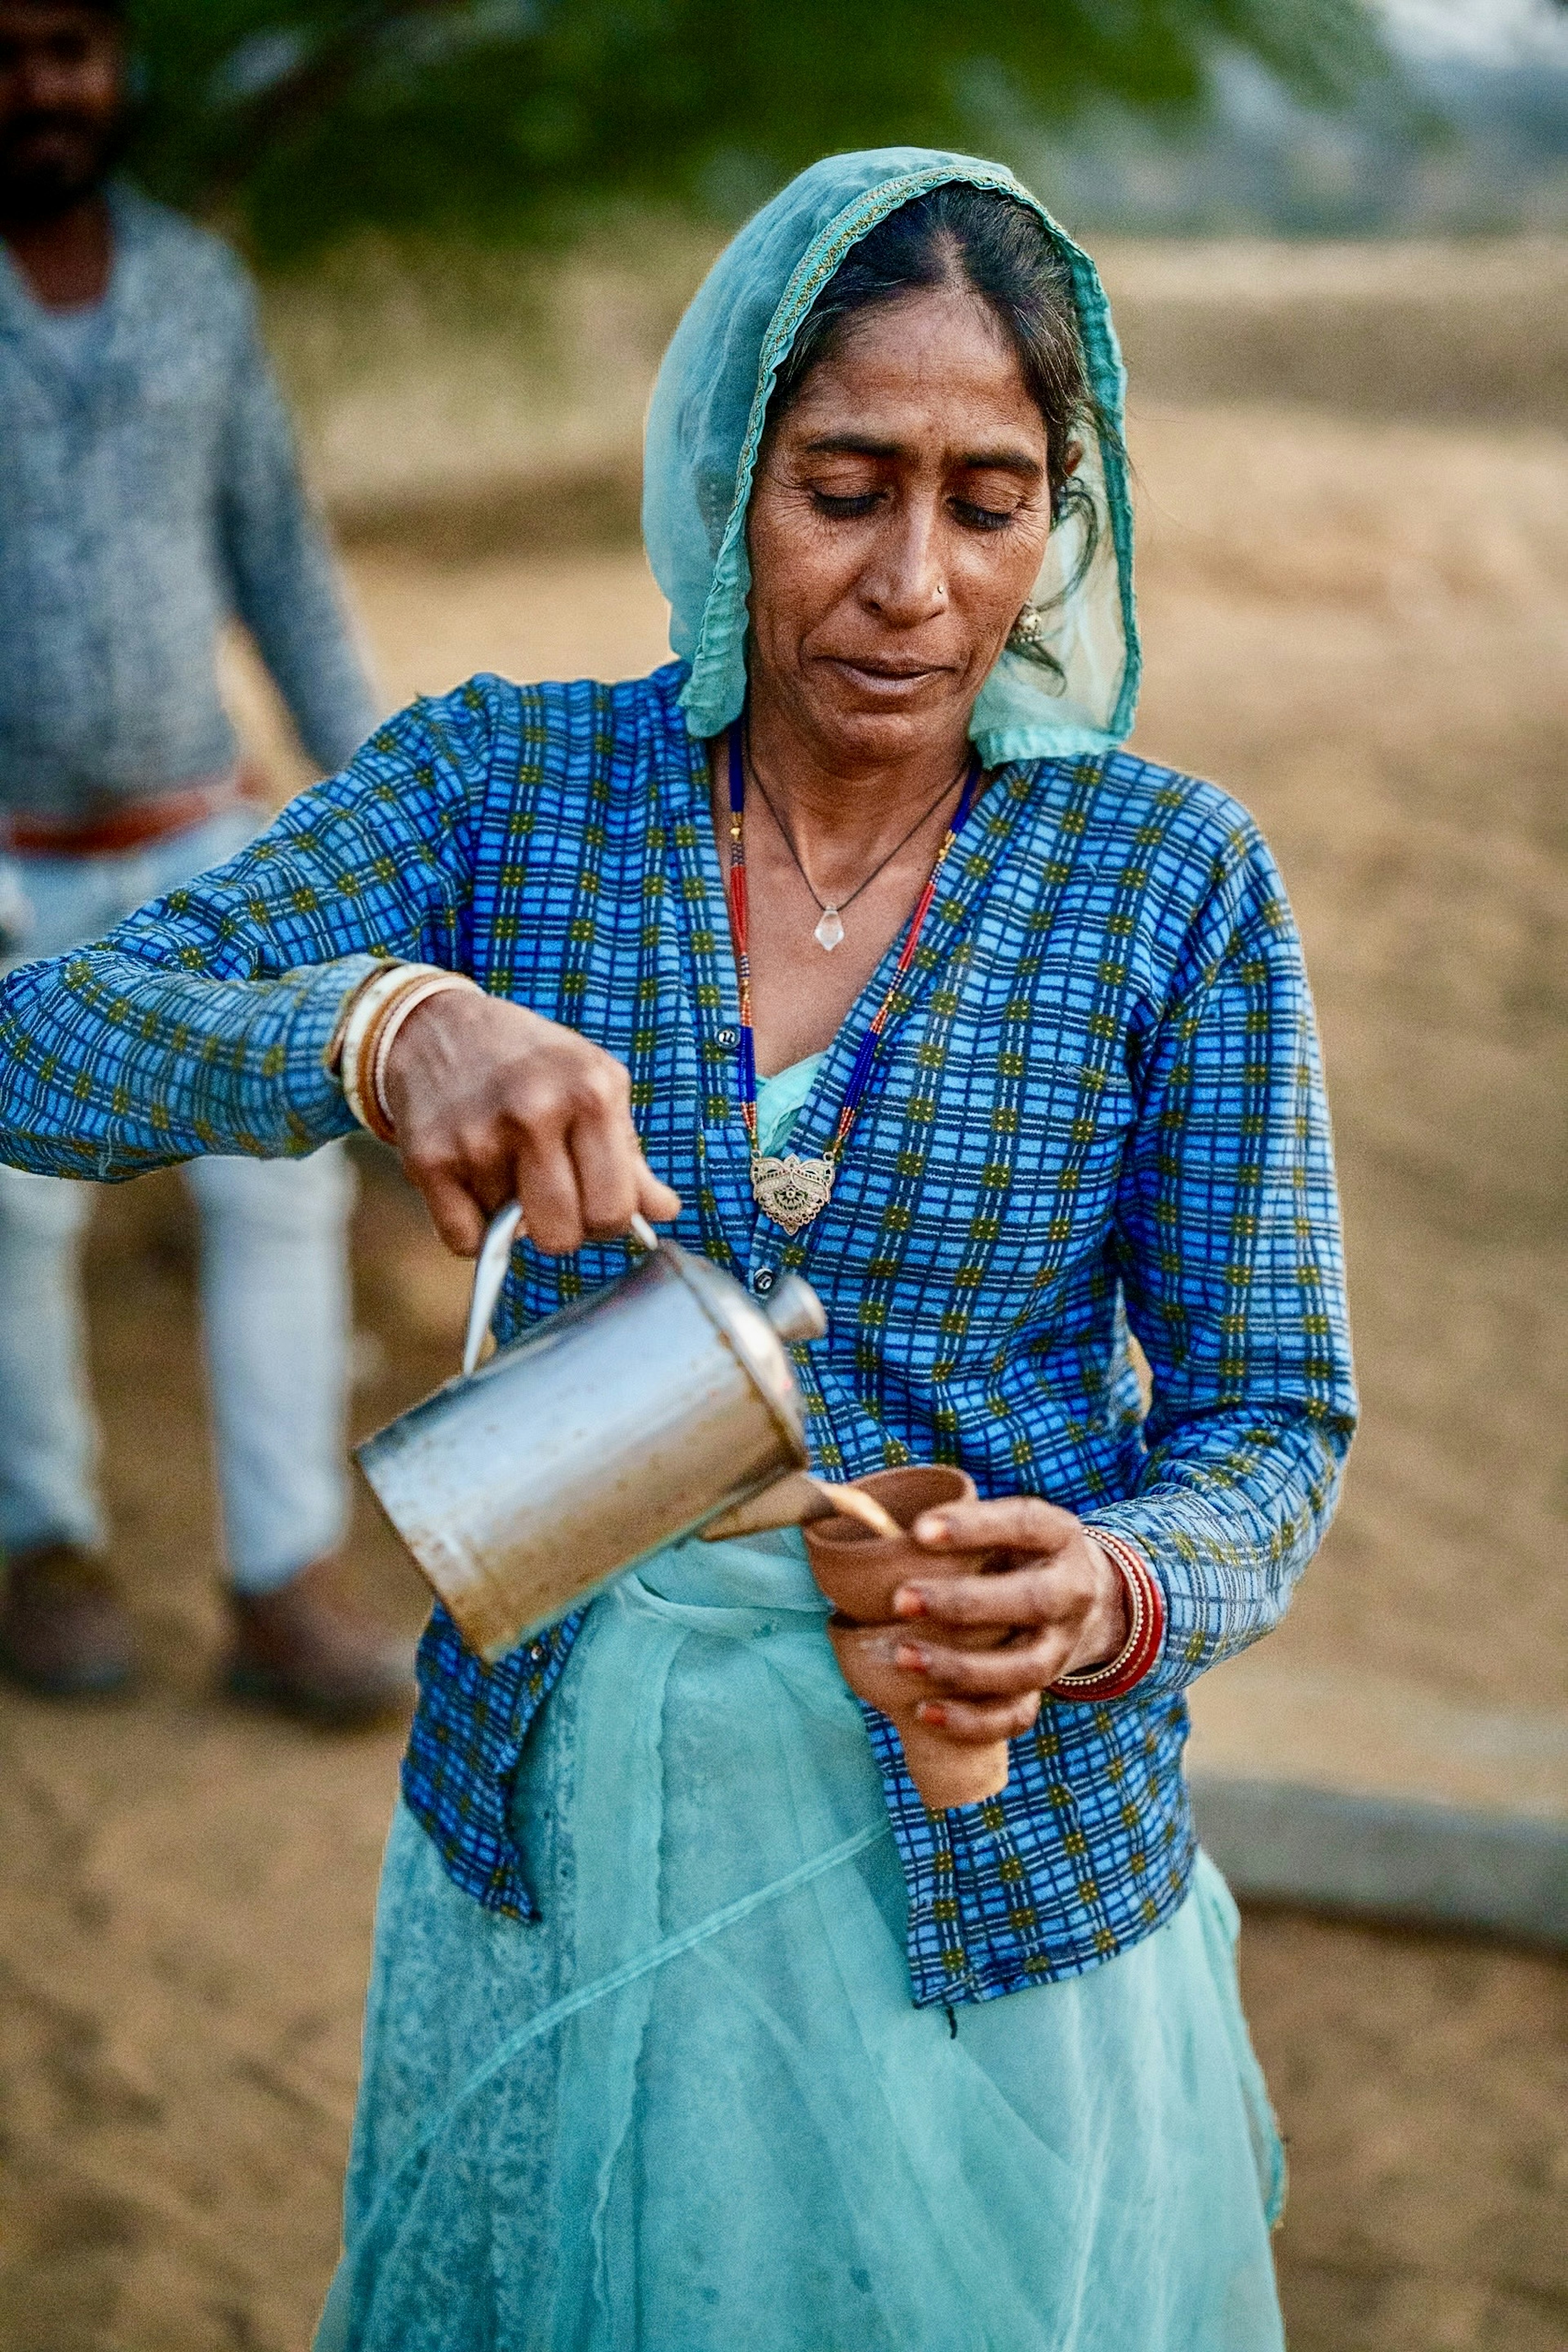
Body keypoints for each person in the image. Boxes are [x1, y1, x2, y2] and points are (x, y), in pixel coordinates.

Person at [0, 150, 1356, 2348]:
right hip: (565, 1842)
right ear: (725, 476)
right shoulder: (506, 793)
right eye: (843, 485)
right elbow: (44, 1042)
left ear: (1059, 524)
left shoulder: (1164, 881)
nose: (913, 580)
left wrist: (1109, 1593)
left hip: (987, 1876)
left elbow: (1275, 1423)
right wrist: (385, 1025)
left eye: (987, 499)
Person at [0, 0, 412, 1720]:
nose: (42, 85)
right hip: (8, 859)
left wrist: (390, 808)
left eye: (73, 48)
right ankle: (45, 1551)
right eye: (8, 48)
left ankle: (282, 1584)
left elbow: (282, 561)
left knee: (280, 1181)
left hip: (202, 847)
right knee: (10, 1210)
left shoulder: (195, 289)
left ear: (119, 72)